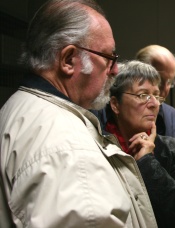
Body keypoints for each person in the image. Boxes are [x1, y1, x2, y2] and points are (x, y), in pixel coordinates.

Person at [0, 1, 157, 227]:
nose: (115, 70)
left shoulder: (18, 106)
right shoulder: (69, 149)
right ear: (68, 60)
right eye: (109, 58)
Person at [105, 60, 175, 228]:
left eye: (156, 95)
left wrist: (147, 160)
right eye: (143, 95)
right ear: (116, 105)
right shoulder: (97, 149)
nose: (154, 104)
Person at [136, 45, 175, 142]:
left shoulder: (174, 118)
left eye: (169, 82)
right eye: (159, 80)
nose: (163, 90)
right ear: (138, 74)